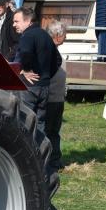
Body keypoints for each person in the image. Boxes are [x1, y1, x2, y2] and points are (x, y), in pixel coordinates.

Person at [12, 7, 60, 133]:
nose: (13, 25)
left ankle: (27, 153)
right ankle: (39, 152)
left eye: (16, 21)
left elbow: (26, 53)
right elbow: (58, 60)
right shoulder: (45, 35)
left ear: (28, 21)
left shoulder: (27, 35)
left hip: (29, 87)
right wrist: (46, 76)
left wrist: (25, 70)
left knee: (25, 124)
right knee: (39, 124)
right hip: (44, 87)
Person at [45, 20, 68, 174]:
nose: (66, 37)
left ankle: (54, 159)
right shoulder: (48, 50)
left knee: (54, 131)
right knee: (49, 131)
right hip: (50, 98)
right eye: (64, 34)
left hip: (57, 98)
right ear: (58, 35)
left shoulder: (54, 50)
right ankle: (48, 161)